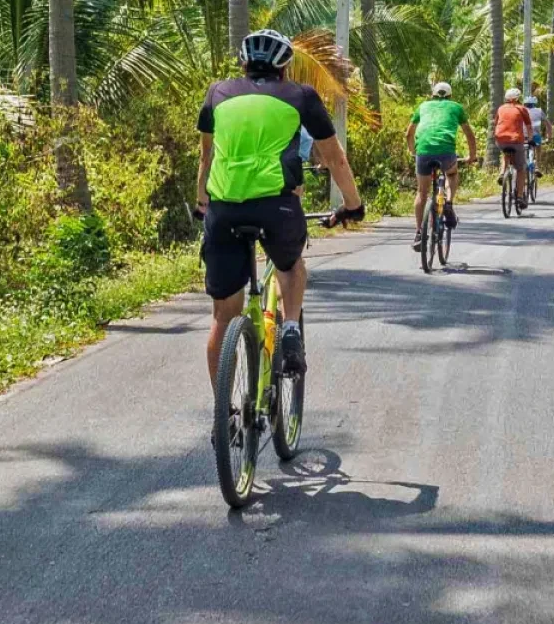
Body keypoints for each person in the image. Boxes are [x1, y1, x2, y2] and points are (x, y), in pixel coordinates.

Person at [196, 29, 364, 381]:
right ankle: (290, 327)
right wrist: (352, 205)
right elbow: (335, 159)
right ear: (286, 66)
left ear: (243, 64)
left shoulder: (218, 93)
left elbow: (207, 155)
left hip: (224, 208)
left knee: (222, 317)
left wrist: (202, 203)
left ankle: (223, 419)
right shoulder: (300, 95)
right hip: (277, 207)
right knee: (290, 266)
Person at [404, 81, 479, 247]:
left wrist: (413, 151)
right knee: (451, 173)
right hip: (446, 153)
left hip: (423, 152)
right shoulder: (456, 107)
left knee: (421, 192)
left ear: (433, 95)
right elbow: (470, 135)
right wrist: (472, 156)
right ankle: (449, 203)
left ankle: (418, 233)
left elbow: (409, 133)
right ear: (450, 96)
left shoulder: (423, 107)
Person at [493, 87, 533, 206]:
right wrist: (530, 139)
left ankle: (502, 173)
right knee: (521, 168)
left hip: (500, 139)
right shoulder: (521, 108)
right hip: (516, 140)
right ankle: (520, 197)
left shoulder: (500, 108)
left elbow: (496, 124)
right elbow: (529, 127)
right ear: (518, 98)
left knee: (505, 153)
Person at [525, 92, 550, 177]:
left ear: (525, 104)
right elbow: (548, 125)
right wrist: (549, 137)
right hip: (535, 136)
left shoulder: (521, 110)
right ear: (534, 104)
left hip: (522, 136)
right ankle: (537, 167)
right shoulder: (539, 111)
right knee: (538, 149)